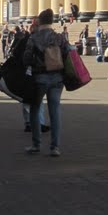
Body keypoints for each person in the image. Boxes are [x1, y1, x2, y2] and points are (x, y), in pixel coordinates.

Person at [23, 9, 69, 157]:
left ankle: (36, 145)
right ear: (51, 22)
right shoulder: (60, 37)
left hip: (40, 78)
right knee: (55, 111)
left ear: (40, 22)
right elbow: (68, 54)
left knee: (35, 110)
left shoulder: (34, 38)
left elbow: (27, 58)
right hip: (57, 78)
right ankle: (55, 147)